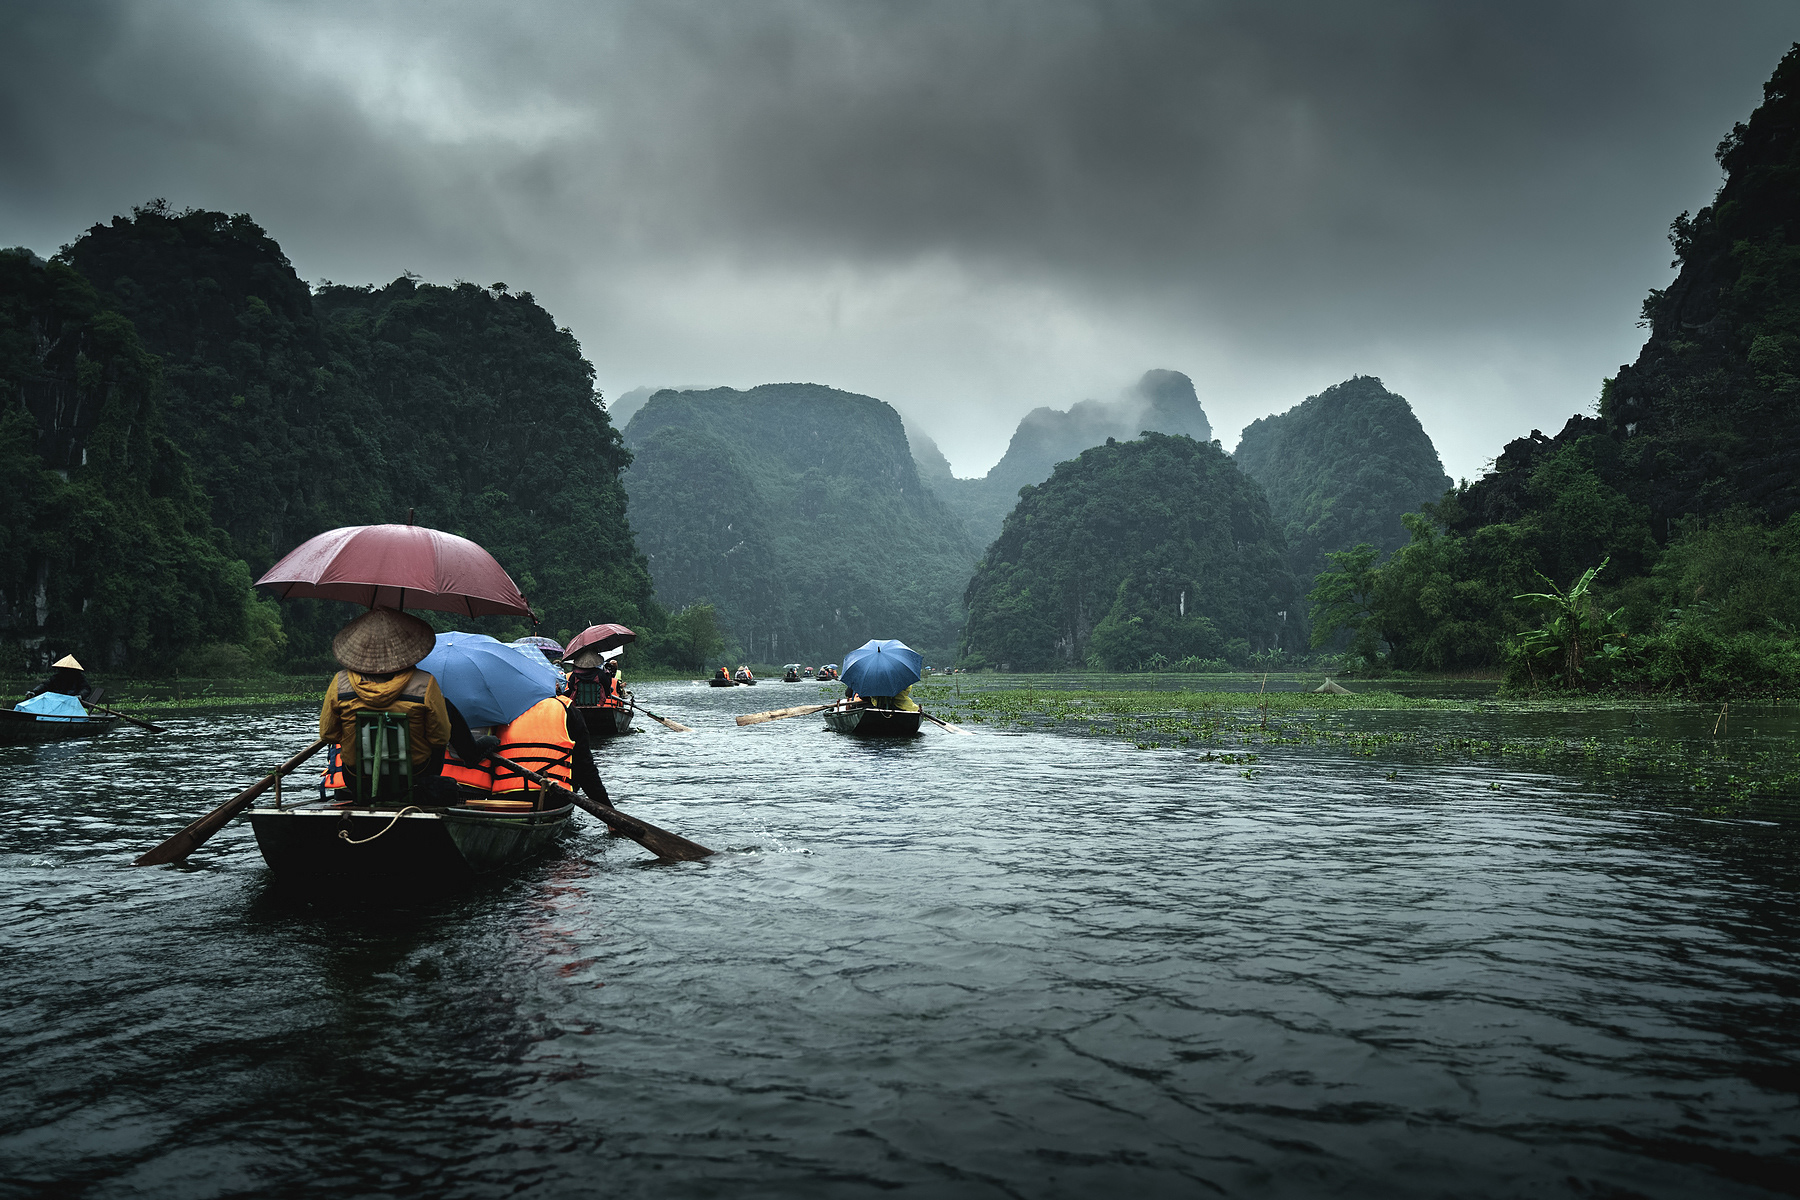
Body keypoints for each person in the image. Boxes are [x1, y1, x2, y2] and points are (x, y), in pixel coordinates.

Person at [318, 607, 482, 805]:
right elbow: (440, 738)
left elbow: (328, 734)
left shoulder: (339, 683)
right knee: (444, 708)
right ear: (405, 649)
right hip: (414, 777)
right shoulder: (425, 683)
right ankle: (471, 753)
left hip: (358, 779)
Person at [486, 692, 609, 808]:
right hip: (553, 797)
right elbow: (585, 769)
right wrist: (607, 809)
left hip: (504, 799)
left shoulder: (499, 708)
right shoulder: (566, 707)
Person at [15, 654, 94, 719]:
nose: (65, 671)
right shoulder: (57, 677)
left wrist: (80, 696)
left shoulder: (79, 678)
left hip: (71, 704)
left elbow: (86, 688)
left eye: (68, 669)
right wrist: (34, 692)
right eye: (63, 669)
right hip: (56, 704)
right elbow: (45, 685)